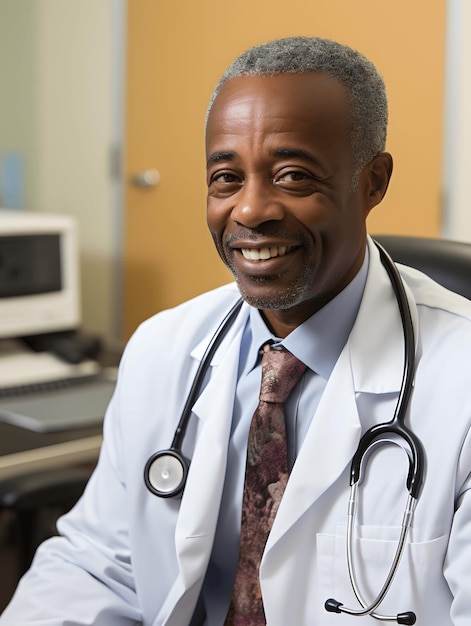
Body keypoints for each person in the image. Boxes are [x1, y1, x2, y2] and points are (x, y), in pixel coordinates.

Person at [2, 35, 471, 626]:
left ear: (373, 181)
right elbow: (99, 563)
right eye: (226, 178)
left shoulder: (462, 380)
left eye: (294, 176)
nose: (250, 210)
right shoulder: (161, 349)